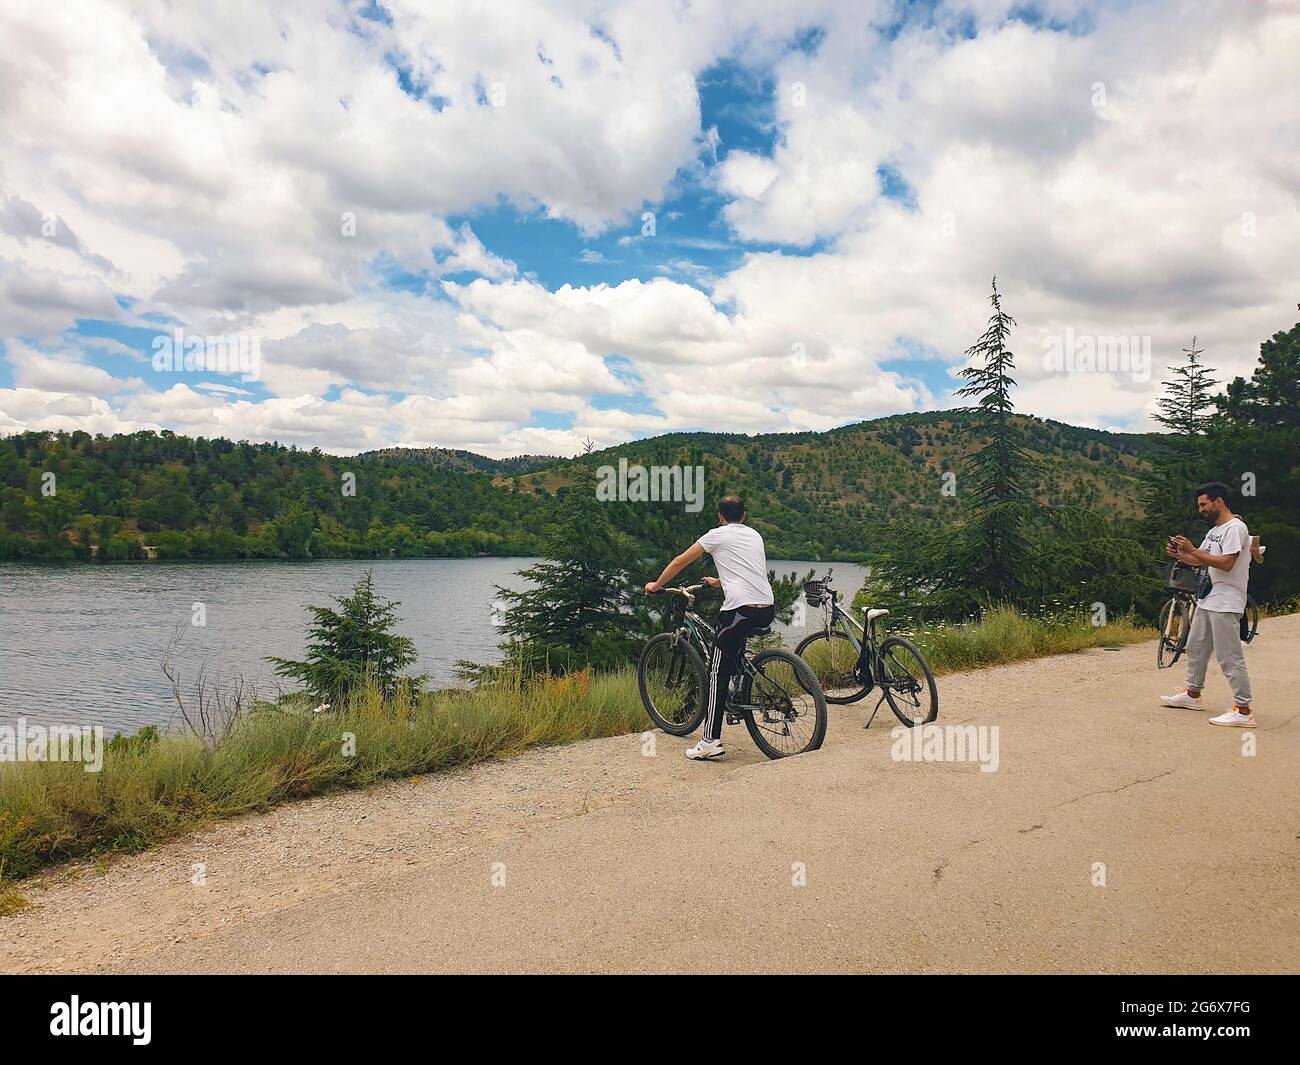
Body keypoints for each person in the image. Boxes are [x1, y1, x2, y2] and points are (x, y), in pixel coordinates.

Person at [644, 495, 774, 760]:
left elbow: (680, 561)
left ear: (720, 516)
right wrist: (719, 580)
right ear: (744, 516)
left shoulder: (716, 535)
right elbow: (748, 571)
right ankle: (740, 691)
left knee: (717, 671)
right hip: (765, 608)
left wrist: (656, 586)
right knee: (731, 654)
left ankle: (710, 741)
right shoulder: (755, 535)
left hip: (739, 611)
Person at [1160, 481, 1256, 727]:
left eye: (1204, 504)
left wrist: (1193, 549)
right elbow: (1198, 561)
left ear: (1219, 502)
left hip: (1226, 600)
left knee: (1229, 655)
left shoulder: (1235, 528)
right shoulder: (1215, 531)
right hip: (1209, 598)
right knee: (1196, 647)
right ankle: (1193, 694)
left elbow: (1226, 563)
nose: (1201, 509)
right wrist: (1181, 554)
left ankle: (1243, 710)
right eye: (1199, 505)